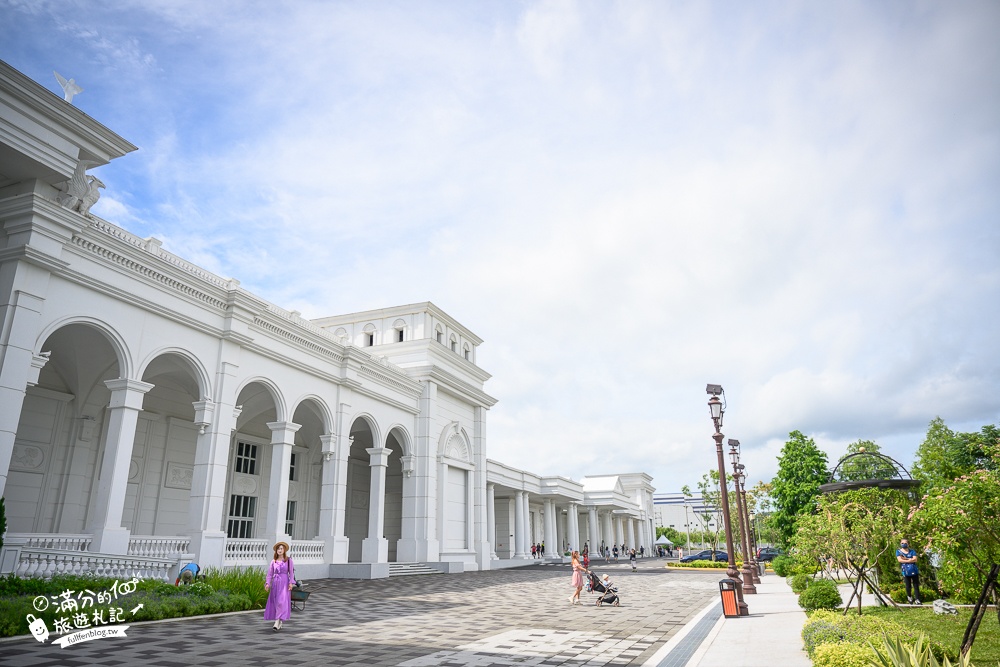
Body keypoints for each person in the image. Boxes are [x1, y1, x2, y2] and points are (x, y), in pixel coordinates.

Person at [264, 541, 295, 631]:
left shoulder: (288, 560)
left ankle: (277, 621)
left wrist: (291, 583)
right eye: (278, 549)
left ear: (284, 550)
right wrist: (267, 583)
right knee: (276, 601)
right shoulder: (273, 561)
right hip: (275, 583)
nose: (279, 550)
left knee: (281, 601)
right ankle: (279, 620)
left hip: (284, 582)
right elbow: (270, 574)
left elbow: (291, 573)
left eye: (281, 548)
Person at [896, 538, 921, 604]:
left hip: (914, 569)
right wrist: (910, 560)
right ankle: (909, 597)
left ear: (908, 544)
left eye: (905, 543)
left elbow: (915, 559)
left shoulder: (912, 551)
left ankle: (917, 599)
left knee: (916, 585)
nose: (903, 544)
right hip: (905, 570)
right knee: (908, 585)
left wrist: (906, 559)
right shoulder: (898, 552)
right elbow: (900, 560)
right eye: (902, 543)